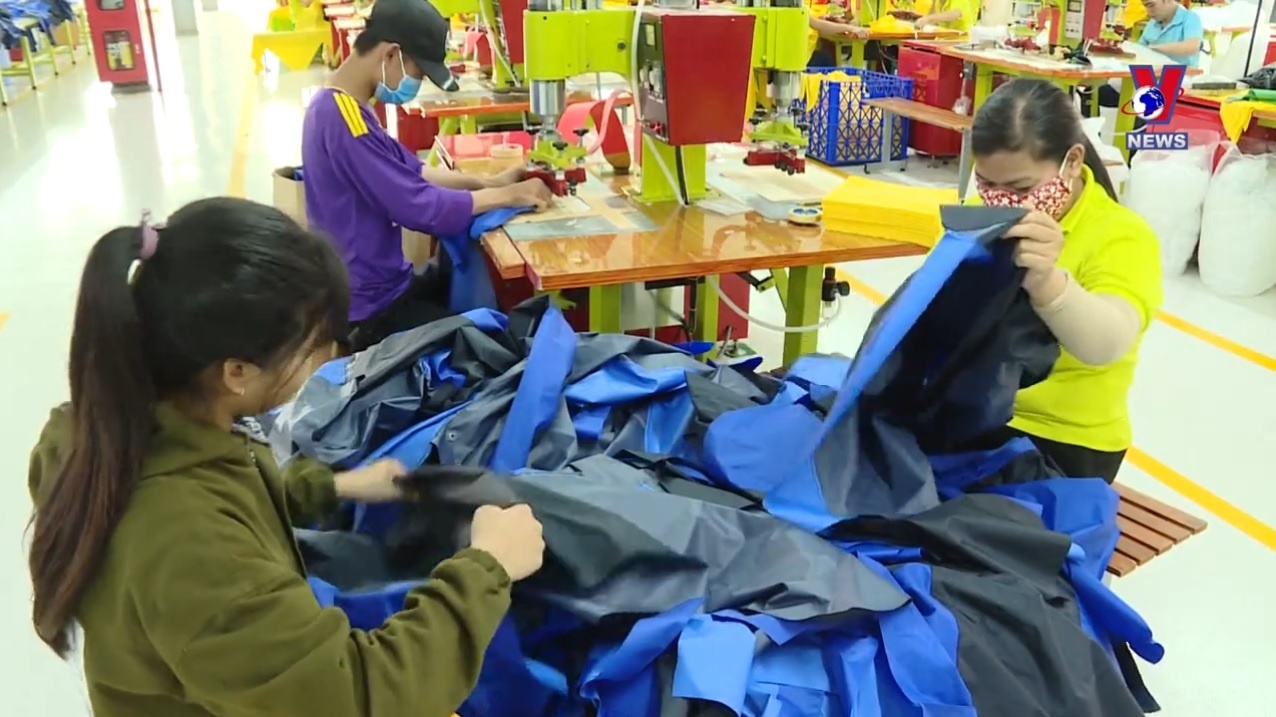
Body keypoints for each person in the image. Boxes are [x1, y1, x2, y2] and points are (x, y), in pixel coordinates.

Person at [26, 197, 548, 716]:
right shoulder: (186, 547)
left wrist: (333, 486)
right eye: (312, 346)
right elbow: (354, 696)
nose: (328, 359)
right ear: (236, 372)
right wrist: (489, 567)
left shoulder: (110, 429)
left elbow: (219, 491)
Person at [303, 0, 553, 351]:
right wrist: (511, 196)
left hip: (386, 285)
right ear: (391, 54)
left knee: (462, 276)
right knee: (493, 348)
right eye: (418, 74)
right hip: (370, 310)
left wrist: (489, 183)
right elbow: (418, 206)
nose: (416, 85)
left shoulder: (346, 105)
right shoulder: (344, 121)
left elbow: (413, 170)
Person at [967, 79, 1163, 483]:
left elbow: (1106, 343)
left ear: (1072, 162)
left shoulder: (1121, 236)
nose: (1002, 201)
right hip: (976, 415)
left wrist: (1047, 283)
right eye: (987, 184)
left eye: (1021, 188)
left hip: (1066, 440)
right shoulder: (975, 216)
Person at [1082, 0, 1204, 116]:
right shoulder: (1153, 24)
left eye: (1152, 5)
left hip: (1176, 80)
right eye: (1146, 7)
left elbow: (1192, 47)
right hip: (1148, 78)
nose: (1149, 12)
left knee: (1141, 107)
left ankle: (1135, 127)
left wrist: (1154, 49)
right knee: (1093, 94)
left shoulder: (1190, 18)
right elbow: (1138, 52)